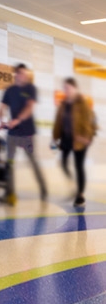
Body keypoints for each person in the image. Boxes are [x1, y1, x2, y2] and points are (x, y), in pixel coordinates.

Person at [0, 63, 47, 205]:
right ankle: (10, 194)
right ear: (16, 74)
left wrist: (17, 120)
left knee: (33, 163)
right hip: (12, 134)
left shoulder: (31, 88)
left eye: (25, 74)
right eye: (21, 73)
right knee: (10, 164)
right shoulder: (9, 90)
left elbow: (29, 107)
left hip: (27, 134)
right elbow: (1, 108)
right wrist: (1, 120)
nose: (23, 76)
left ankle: (43, 190)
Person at [52, 77, 95, 208]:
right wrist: (55, 137)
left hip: (80, 140)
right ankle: (73, 184)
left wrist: (87, 137)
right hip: (66, 138)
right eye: (65, 88)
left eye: (68, 88)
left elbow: (89, 121)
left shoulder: (82, 102)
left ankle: (80, 196)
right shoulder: (64, 104)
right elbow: (58, 122)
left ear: (75, 88)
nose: (66, 90)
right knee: (64, 163)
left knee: (78, 166)